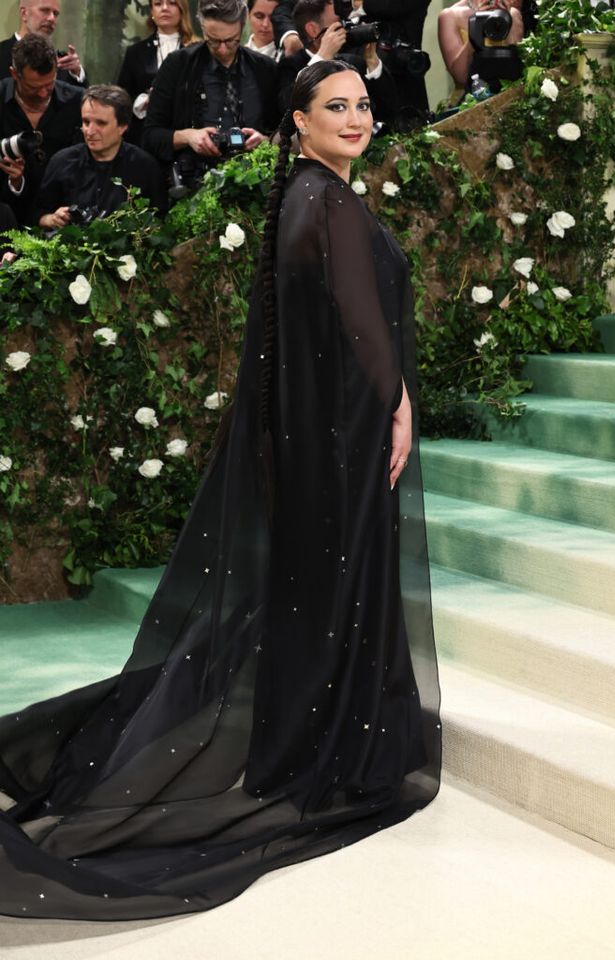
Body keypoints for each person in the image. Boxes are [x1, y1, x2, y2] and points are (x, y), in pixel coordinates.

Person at [0, 58, 441, 921]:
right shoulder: (325, 200)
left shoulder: (304, 197)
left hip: (325, 431)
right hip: (345, 432)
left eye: (363, 105)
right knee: (330, 584)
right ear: (299, 122)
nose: (357, 118)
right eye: (337, 107)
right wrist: (397, 404)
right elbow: (360, 321)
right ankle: (321, 744)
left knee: (316, 586)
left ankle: (305, 732)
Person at [143, 0, 280, 179]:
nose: (222, 50)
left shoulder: (265, 69)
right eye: (213, 41)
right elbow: (150, 136)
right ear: (202, 29)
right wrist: (187, 136)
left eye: (231, 40)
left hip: (256, 179)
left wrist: (266, 141)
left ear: (242, 27)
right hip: (194, 181)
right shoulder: (178, 65)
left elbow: (285, 131)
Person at [33, 85, 168, 229]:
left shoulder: (145, 167)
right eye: (86, 122)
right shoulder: (62, 162)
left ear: (122, 126)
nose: (90, 131)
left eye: (101, 123)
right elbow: (35, 214)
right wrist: (51, 219)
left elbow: (159, 221)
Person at [274, 0, 432, 121]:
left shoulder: (351, 63)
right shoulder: (291, 65)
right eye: (338, 22)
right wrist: (321, 58)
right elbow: (287, 106)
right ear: (313, 29)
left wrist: (372, 61)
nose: (345, 27)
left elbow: (389, 107)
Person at [0, 33, 82, 225]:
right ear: (14, 74)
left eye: (49, 84)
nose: (44, 93)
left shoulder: (77, 101)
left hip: (63, 220)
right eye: (34, 87)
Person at [117, 0, 199, 145]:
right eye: (158, 4)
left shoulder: (198, 51)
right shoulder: (136, 52)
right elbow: (122, 95)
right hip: (144, 135)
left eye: (172, 3)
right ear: (152, 11)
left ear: (182, 9)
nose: (165, 8)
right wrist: (143, 101)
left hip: (187, 135)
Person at [438, 0, 532, 97]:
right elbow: (461, 77)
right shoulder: (450, 15)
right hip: (472, 98)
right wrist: (477, 25)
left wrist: (507, 20)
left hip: (510, 95)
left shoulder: (512, 13)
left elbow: (519, 67)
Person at [0, 0, 87, 86]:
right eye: (45, 11)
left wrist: (77, 72)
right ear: (24, 13)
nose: (52, 18)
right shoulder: (2, 53)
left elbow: (80, 93)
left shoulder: (64, 63)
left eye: (55, 14)